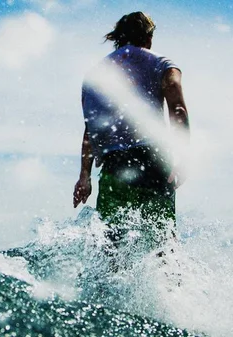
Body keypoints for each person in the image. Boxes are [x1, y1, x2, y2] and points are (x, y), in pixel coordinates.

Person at [72, 12, 190, 249]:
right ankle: (172, 286)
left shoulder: (96, 74)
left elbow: (91, 129)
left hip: (114, 167)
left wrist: (84, 176)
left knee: (111, 248)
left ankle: (107, 287)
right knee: (162, 243)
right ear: (148, 37)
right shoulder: (164, 65)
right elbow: (178, 110)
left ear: (118, 38)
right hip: (154, 161)